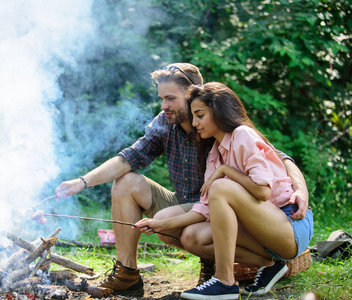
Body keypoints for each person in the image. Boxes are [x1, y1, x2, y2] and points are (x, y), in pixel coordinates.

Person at [53, 64, 310, 297]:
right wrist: (82, 182)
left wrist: (300, 190)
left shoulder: (218, 124)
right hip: (200, 206)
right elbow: (128, 157)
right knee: (126, 182)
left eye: (170, 98)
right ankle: (127, 274)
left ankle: (223, 271)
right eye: (161, 98)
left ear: (191, 96)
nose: (164, 106)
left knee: (217, 193)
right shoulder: (169, 125)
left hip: (239, 208)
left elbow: (281, 160)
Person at [134, 82, 314, 300]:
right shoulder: (214, 153)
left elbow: (263, 191)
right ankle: (271, 265)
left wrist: (226, 171)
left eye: (200, 115)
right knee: (191, 237)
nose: (195, 122)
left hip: (290, 225)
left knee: (220, 186)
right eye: (193, 116)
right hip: (262, 234)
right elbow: (205, 209)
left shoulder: (242, 135)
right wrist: (160, 225)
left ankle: (224, 281)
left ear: (218, 111)